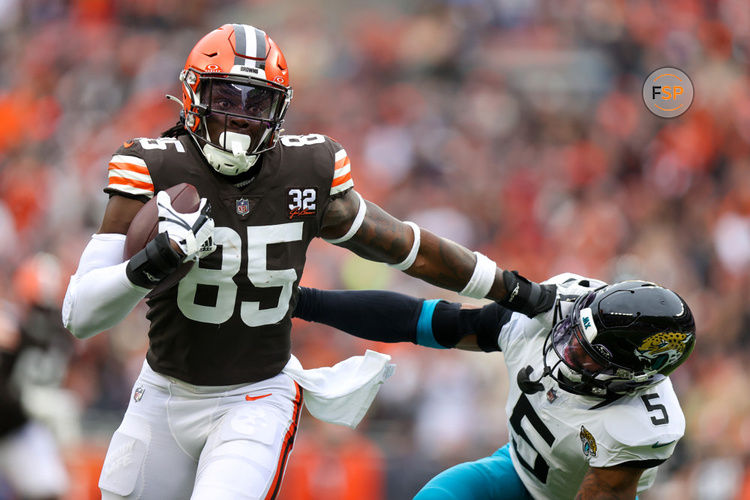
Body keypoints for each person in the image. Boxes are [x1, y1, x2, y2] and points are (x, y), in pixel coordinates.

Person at [61, 24, 554, 500]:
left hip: (254, 396)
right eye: (227, 97)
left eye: (257, 101)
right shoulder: (153, 166)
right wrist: (153, 261)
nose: (240, 115)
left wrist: (514, 289)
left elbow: (408, 247)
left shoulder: (306, 172)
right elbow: (80, 317)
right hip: (164, 391)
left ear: (280, 108)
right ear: (193, 96)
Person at [293, 273, 696, 499]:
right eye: (574, 334)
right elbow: (427, 320)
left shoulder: (641, 426)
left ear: (633, 376)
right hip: (512, 472)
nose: (566, 347)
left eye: (589, 354)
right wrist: (305, 302)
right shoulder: (548, 318)